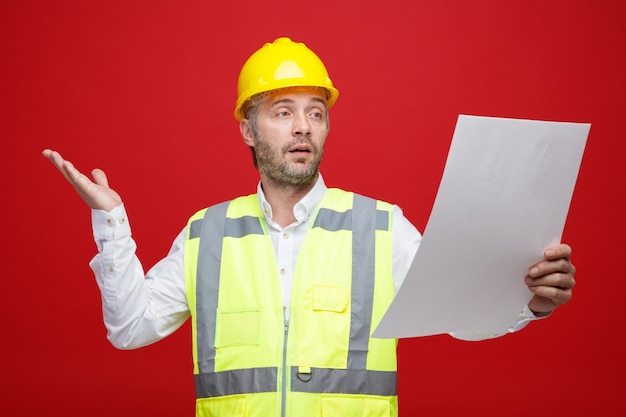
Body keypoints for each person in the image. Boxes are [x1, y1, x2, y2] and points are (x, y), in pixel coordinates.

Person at [43, 37, 576, 417]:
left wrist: (528, 303)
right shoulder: (205, 234)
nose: (302, 126)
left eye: (316, 112)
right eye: (282, 111)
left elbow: (459, 314)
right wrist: (110, 221)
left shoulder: (381, 227)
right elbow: (129, 328)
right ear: (247, 131)